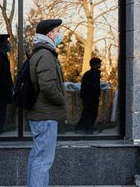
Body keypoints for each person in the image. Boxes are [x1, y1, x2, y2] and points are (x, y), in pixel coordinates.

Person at [26, 19, 66, 187]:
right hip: (46, 115)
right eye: (58, 31)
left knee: (37, 157)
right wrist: (62, 100)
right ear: (50, 34)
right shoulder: (46, 55)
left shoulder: (40, 53)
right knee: (43, 161)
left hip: (41, 114)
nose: (60, 34)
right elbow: (48, 86)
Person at [75, 57, 102, 134]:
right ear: (95, 64)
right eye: (99, 63)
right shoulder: (93, 74)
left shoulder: (90, 73)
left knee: (88, 112)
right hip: (90, 97)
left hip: (89, 97)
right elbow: (94, 87)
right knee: (90, 112)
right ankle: (86, 127)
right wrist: (96, 96)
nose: (100, 64)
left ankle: (83, 127)